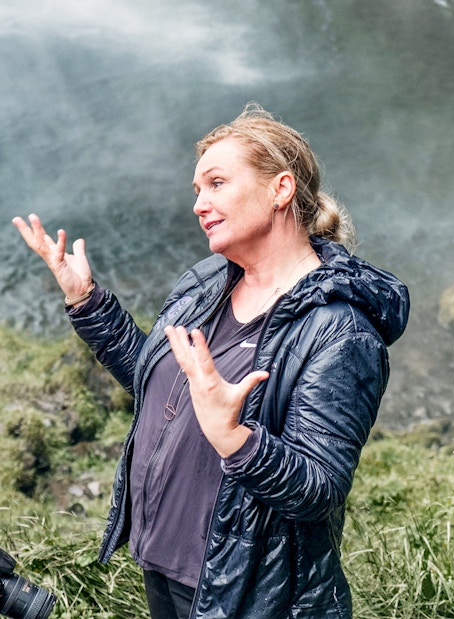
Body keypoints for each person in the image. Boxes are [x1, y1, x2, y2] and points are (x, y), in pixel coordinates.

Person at [12, 103, 410, 619]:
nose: (200, 204)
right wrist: (87, 301)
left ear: (281, 189)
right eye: (197, 191)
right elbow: (163, 387)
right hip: (164, 565)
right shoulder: (207, 280)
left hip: (251, 592)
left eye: (217, 183)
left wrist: (235, 439)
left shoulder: (340, 330)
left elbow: (319, 489)